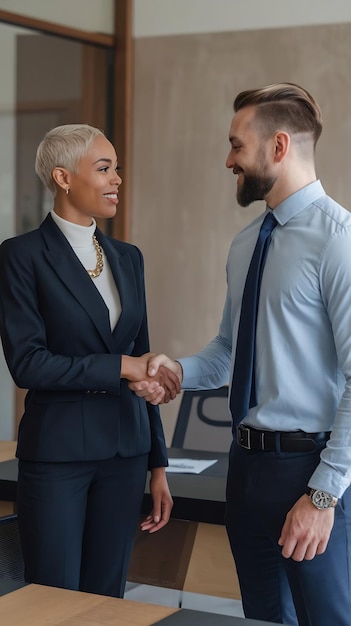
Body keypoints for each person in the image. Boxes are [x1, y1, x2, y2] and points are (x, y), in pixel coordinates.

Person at [130, 84, 351, 625]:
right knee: (261, 618)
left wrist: (321, 498)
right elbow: (229, 350)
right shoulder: (246, 242)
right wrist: (178, 369)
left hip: (311, 469)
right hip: (246, 469)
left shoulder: (338, 240)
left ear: (278, 146)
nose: (228, 159)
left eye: (236, 145)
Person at [0, 123, 180, 597]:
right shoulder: (20, 256)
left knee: (108, 598)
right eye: (104, 168)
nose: (117, 178)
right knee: (54, 597)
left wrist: (158, 466)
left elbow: (146, 364)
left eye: (117, 168)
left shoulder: (128, 258)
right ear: (62, 177)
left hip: (127, 453)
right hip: (59, 456)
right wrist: (121, 366)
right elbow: (29, 364)